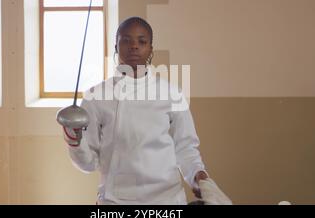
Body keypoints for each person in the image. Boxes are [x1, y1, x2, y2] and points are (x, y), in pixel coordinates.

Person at [61, 17, 232, 205]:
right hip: (115, 201)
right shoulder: (96, 96)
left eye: (142, 41)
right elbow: (88, 163)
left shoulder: (171, 93)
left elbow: (186, 148)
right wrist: (74, 140)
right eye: (126, 40)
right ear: (116, 47)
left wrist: (198, 176)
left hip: (168, 200)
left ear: (151, 48)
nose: (134, 46)